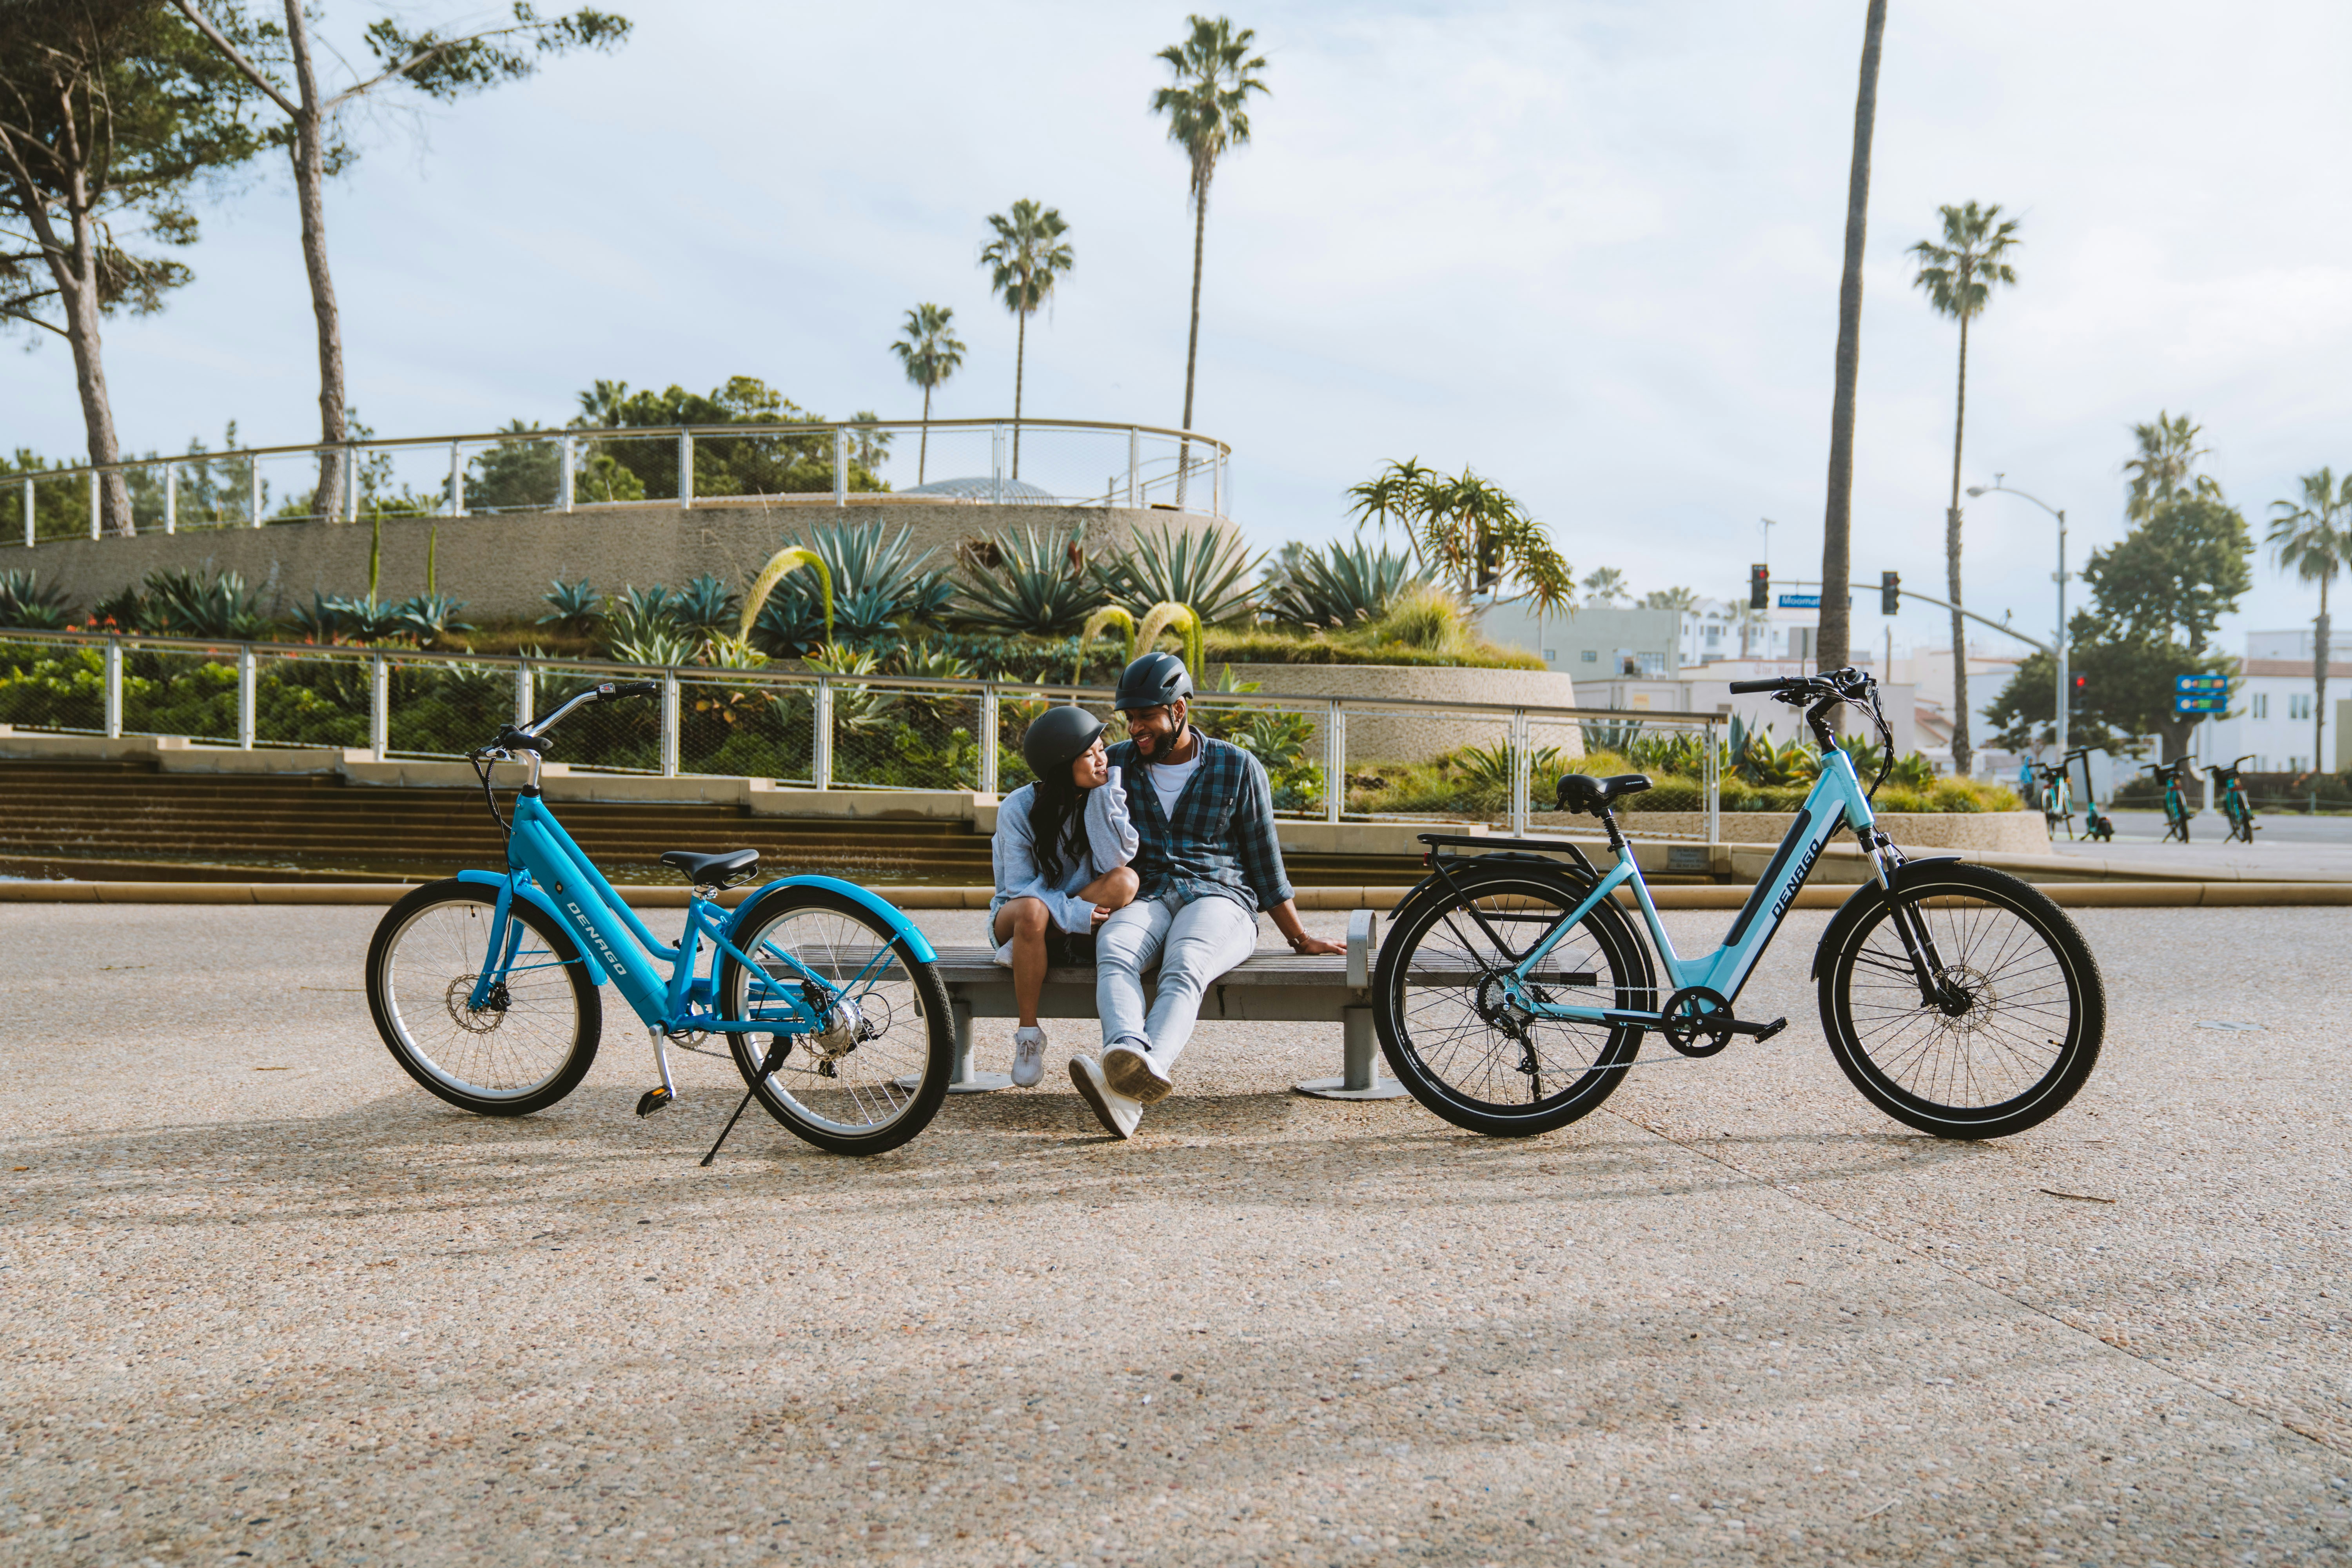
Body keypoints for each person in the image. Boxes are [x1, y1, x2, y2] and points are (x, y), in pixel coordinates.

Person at [1069, 652, 1344, 1140]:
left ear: (1178, 710)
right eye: (1130, 719)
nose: (1136, 729)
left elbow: (1265, 863)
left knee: (1186, 960)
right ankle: (1128, 1059)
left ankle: (1141, 1069)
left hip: (1221, 897)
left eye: (1146, 717)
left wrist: (1299, 938)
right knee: (1114, 950)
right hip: (1149, 893)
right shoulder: (1118, 767)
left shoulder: (1237, 767)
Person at [989, 706, 1139, 1088]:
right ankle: (1028, 1036)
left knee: (1125, 881)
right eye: (1089, 755)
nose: (1102, 759)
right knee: (1032, 914)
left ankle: (1032, 946)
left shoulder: (1099, 794)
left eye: (1102, 749)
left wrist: (1105, 794)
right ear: (1060, 766)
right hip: (1020, 914)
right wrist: (1073, 913)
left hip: (1073, 913)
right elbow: (1020, 890)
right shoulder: (1018, 808)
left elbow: (1114, 861)